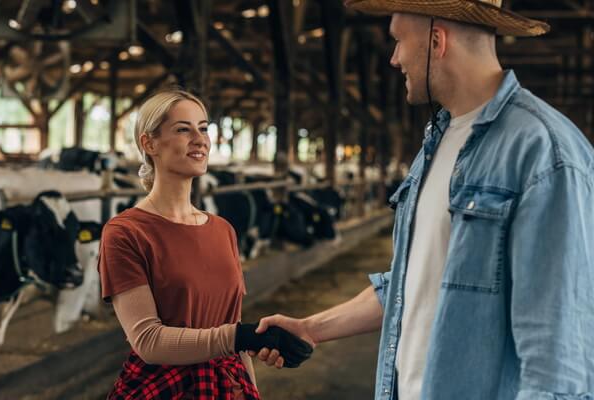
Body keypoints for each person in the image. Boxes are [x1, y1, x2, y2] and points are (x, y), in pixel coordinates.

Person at [253, 1, 594, 399]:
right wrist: (312, 328)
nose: (395, 59)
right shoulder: (437, 141)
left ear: (437, 40)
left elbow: (557, 352)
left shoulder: (542, 151)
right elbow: (411, 281)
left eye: (398, 40)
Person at [98, 88, 313, 399]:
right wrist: (242, 337)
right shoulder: (126, 232)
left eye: (203, 128)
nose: (200, 139)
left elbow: (233, 328)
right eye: (183, 129)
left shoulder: (222, 230)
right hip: (164, 388)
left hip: (227, 385)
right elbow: (148, 340)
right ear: (149, 143)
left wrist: (251, 386)